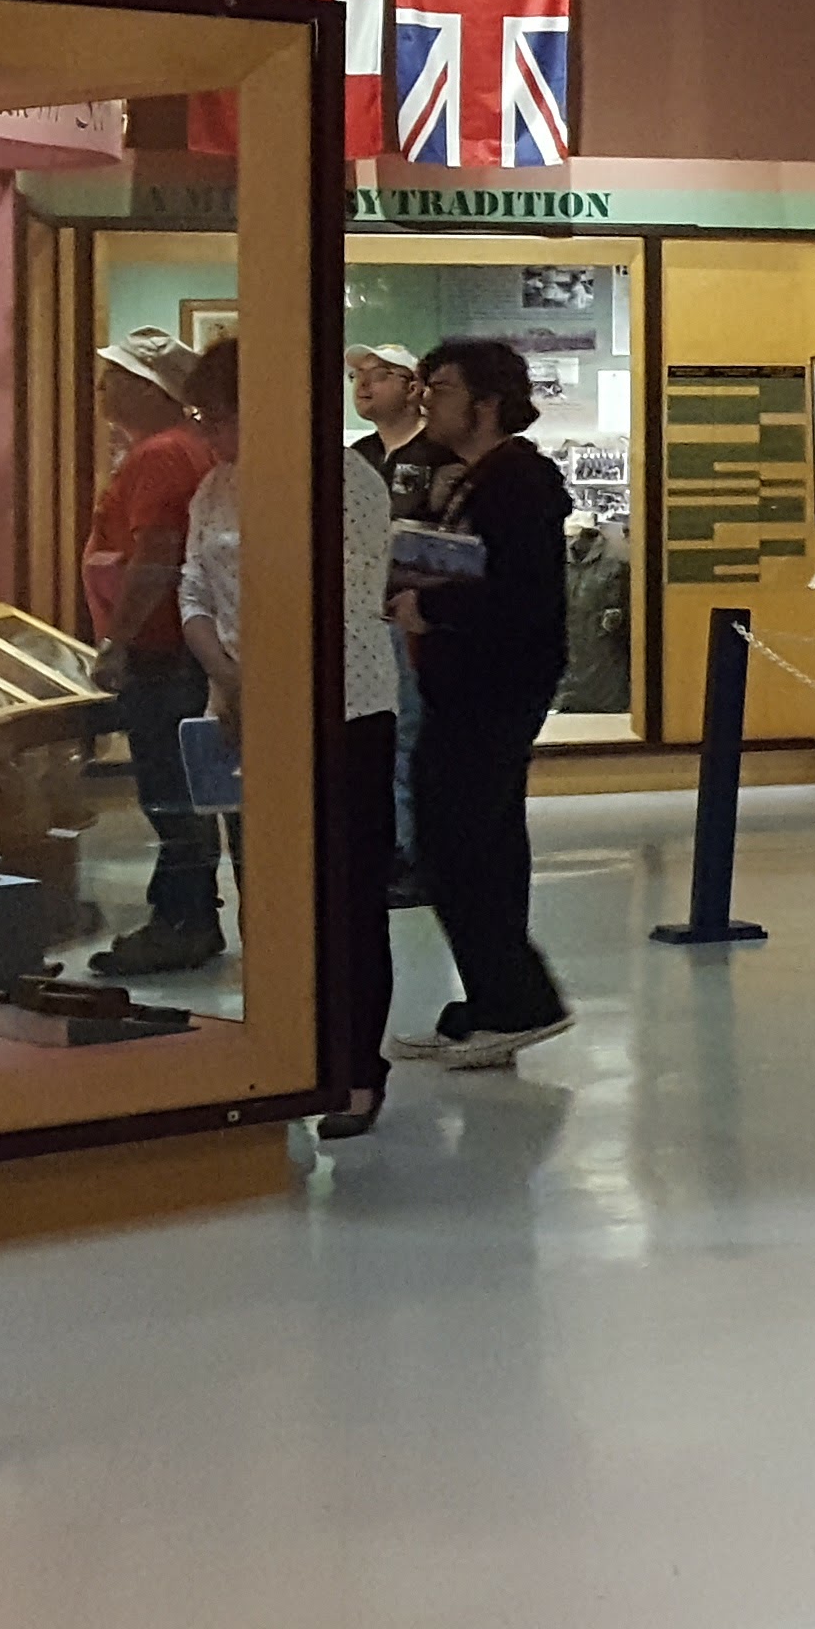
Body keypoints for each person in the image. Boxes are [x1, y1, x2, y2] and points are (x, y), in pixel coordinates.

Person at [200, 342, 406, 1134]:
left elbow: (342, 601)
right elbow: (193, 585)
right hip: (245, 710)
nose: (211, 433)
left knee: (348, 896)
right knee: (266, 891)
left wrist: (266, 682)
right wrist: (226, 674)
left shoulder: (346, 481)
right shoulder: (217, 486)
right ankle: (281, 1053)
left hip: (344, 710)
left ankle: (356, 1068)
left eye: (220, 416)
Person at [388, 337, 572, 1069]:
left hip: (493, 688)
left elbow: (523, 596)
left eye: (441, 389)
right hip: (465, 685)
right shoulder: (472, 478)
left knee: (460, 841)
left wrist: (434, 611)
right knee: (470, 842)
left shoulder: (518, 482)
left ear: (487, 404)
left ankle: (520, 999)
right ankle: (493, 1000)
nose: (427, 402)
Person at [84, 327, 225, 975]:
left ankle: (182, 921)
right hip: (179, 646)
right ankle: (187, 914)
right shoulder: (186, 447)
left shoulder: (161, 454)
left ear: (148, 388)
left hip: (163, 649)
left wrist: (119, 639)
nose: (102, 388)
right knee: (184, 788)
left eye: (115, 377)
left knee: (171, 791)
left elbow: (156, 555)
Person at [347, 344, 440, 902]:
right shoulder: (353, 459)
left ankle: (414, 854)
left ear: (411, 387)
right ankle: (384, 848)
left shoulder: (439, 456)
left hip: (418, 622)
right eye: (357, 376)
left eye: (379, 375)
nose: (363, 385)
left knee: (412, 737)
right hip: (361, 623)